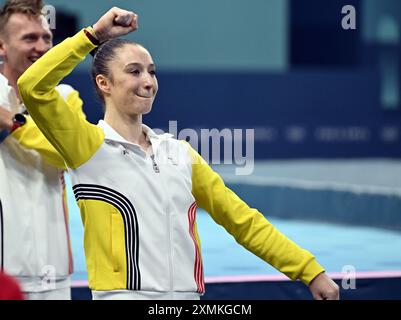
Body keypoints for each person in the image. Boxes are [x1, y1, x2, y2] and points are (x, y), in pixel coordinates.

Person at [18, 7, 340, 300]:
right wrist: (94, 36)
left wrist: (309, 271)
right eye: (134, 71)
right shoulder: (87, 146)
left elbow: (243, 222)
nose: (148, 81)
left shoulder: (179, 153)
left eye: (152, 71)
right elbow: (33, 85)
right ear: (104, 83)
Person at [0, 0, 84, 300]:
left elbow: (68, 153)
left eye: (46, 38)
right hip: (3, 272)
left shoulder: (65, 97)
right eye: (29, 38)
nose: (41, 46)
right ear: (2, 46)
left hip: (54, 271)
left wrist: (12, 122)